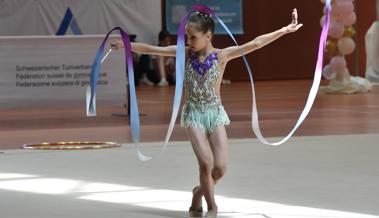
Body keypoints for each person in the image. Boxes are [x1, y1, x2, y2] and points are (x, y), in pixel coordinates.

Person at [111, 9, 302, 217]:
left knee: (219, 169)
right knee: (206, 163)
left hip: (215, 115)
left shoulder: (222, 55)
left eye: (193, 37)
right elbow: (151, 49)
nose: (189, 41)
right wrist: (125, 45)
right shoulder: (184, 53)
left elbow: (255, 43)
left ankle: (198, 192)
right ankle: (212, 208)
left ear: (208, 36)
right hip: (194, 114)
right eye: (186, 36)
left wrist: (284, 30)